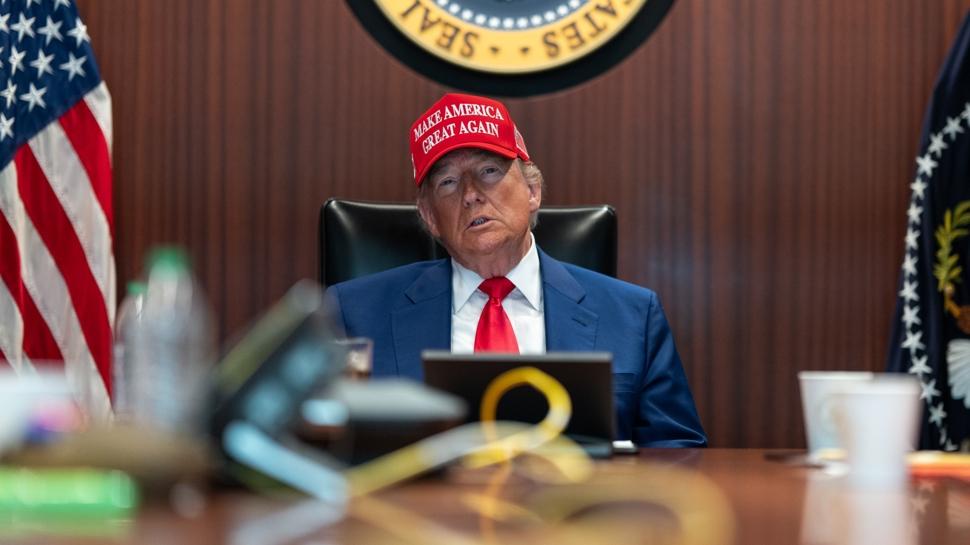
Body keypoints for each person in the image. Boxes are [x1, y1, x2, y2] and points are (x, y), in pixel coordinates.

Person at [327, 93, 706, 447]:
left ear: (532, 191)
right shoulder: (354, 315)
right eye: (448, 182)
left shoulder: (634, 316)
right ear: (429, 217)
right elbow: (323, 450)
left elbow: (678, 455)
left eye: (490, 170)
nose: (471, 194)